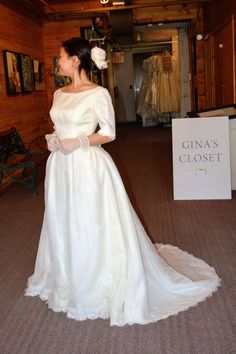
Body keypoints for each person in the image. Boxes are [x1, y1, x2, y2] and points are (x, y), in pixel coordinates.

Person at [25, 38, 220, 327]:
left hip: (87, 165)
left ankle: (95, 278)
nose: (58, 62)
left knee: (89, 220)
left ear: (75, 61)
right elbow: (59, 126)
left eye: (61, 57)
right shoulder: (58, 93)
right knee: (63, 218)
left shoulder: (98, 93)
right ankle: (66, 275)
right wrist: (55, 138)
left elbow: (108, 132)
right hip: (60, 166)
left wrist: (77, 141)